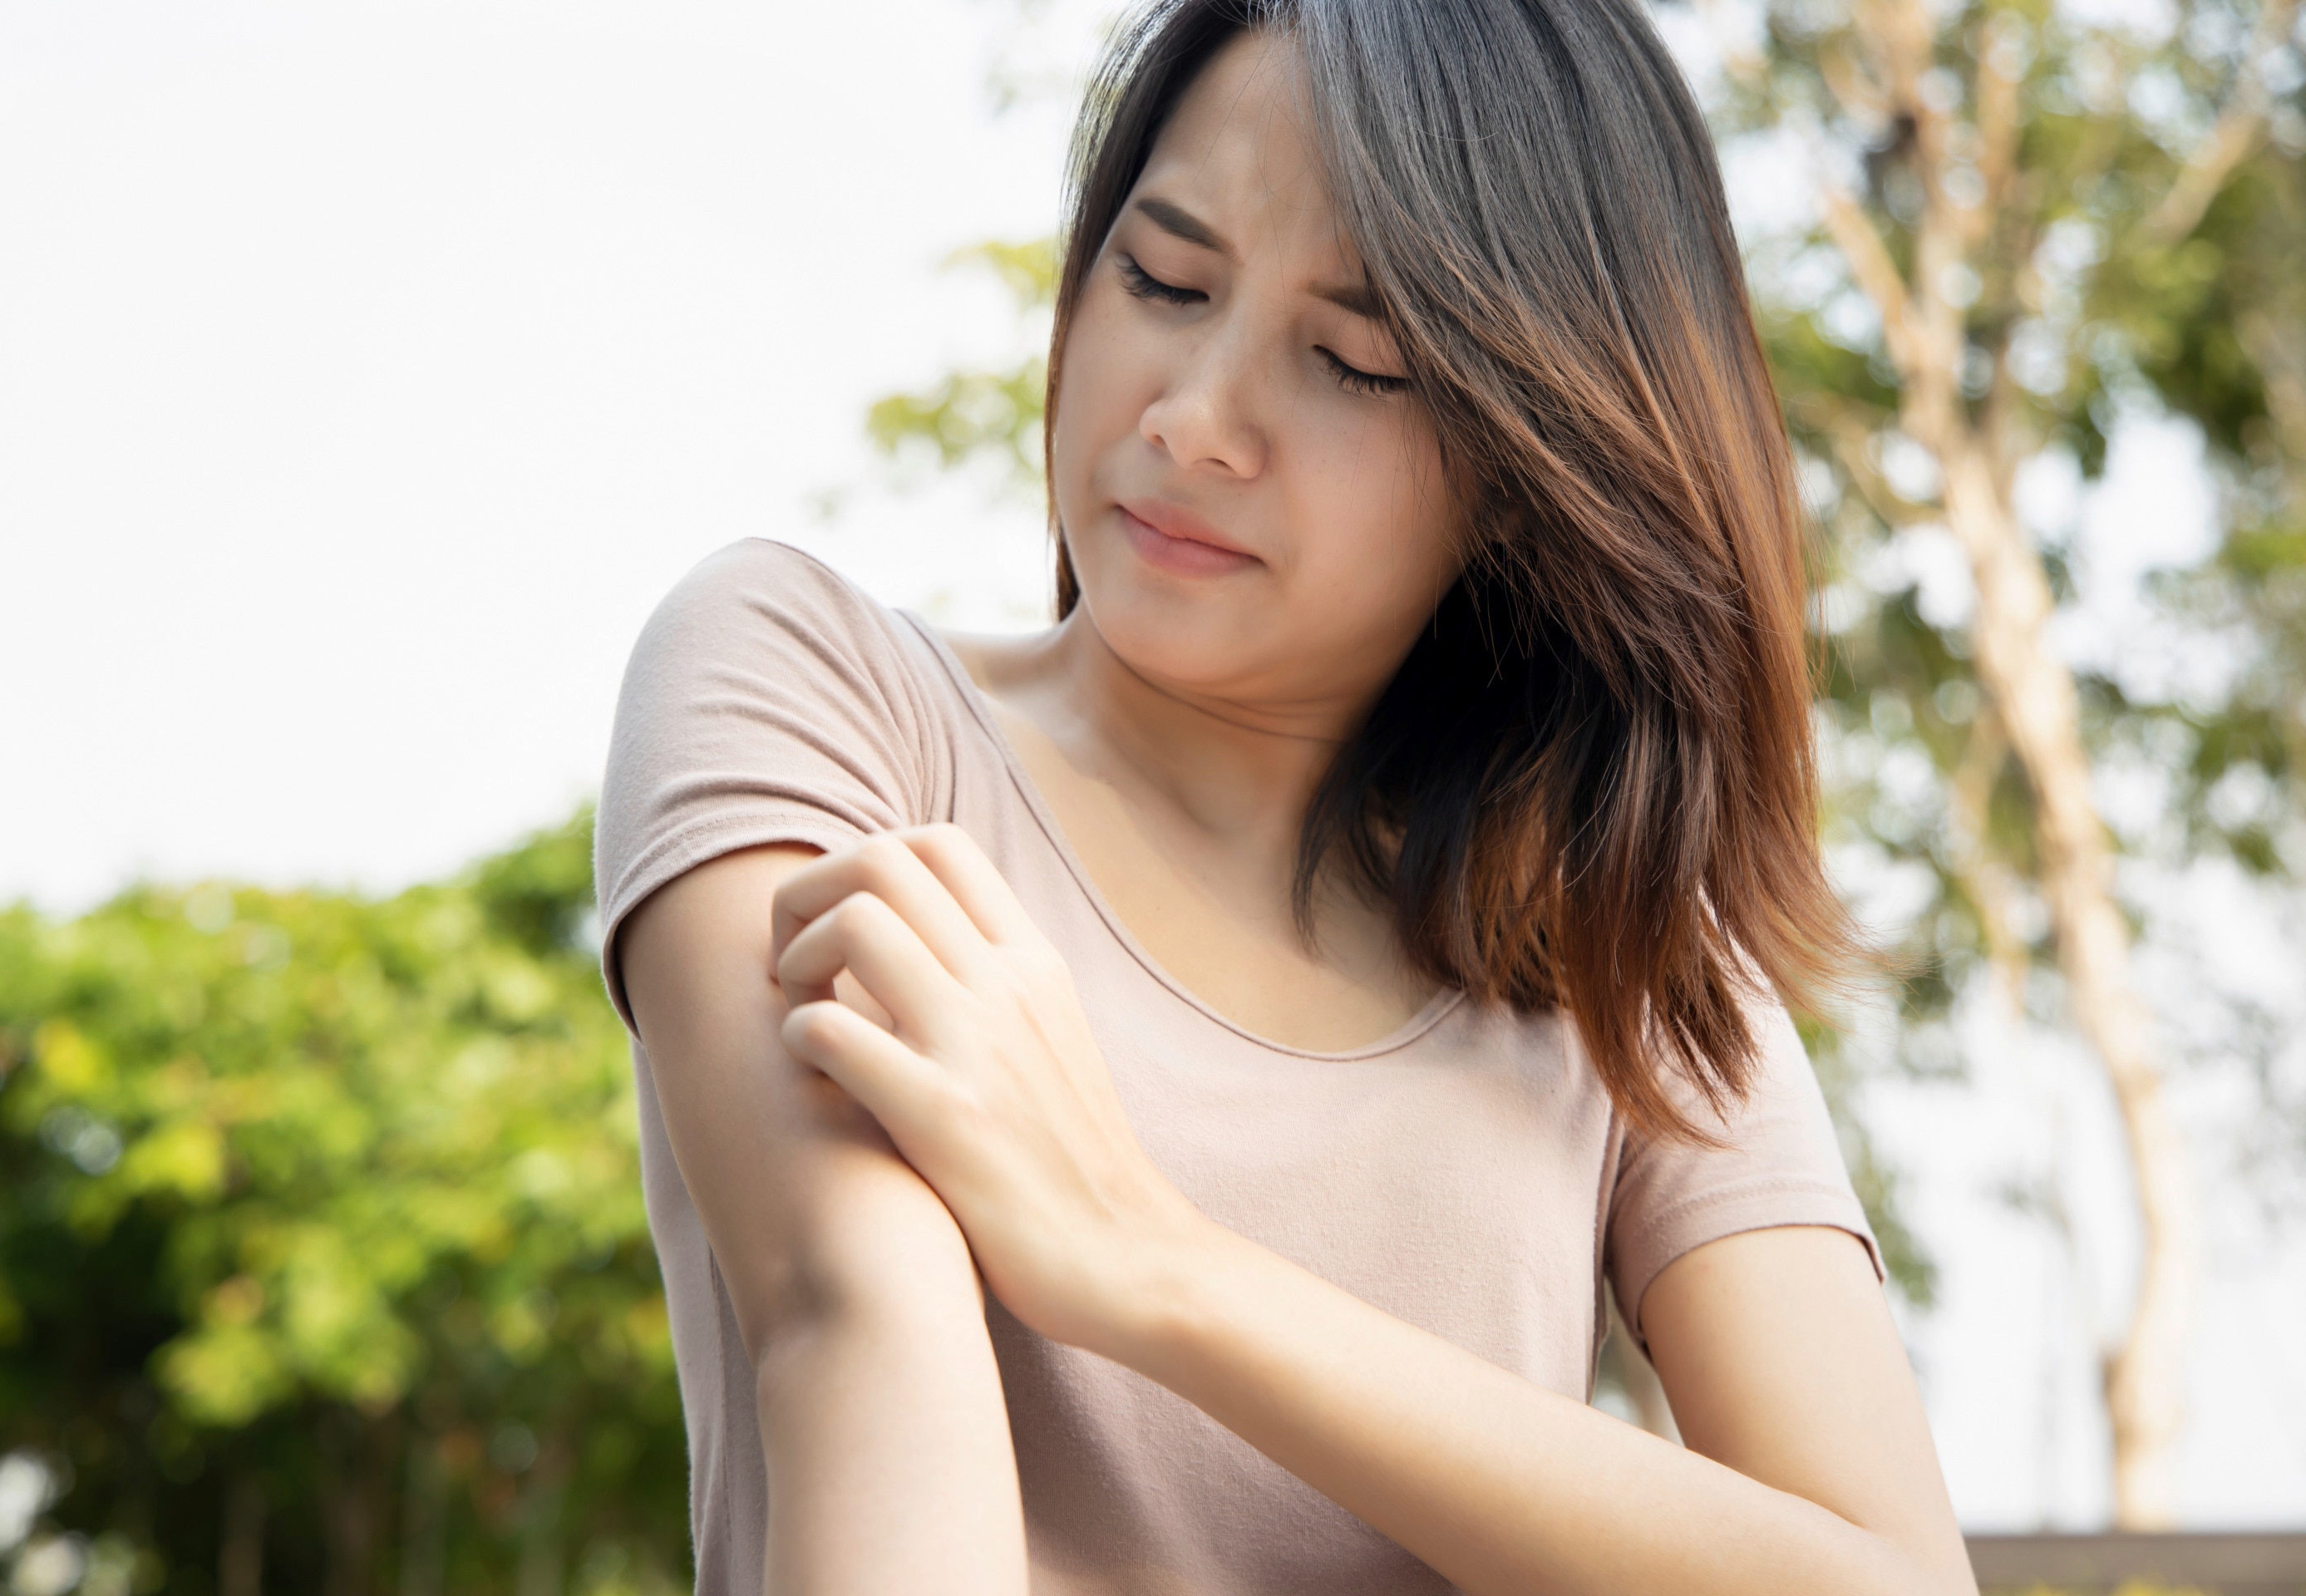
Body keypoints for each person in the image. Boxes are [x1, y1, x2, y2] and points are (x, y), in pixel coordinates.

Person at [594, 0, 1977, 1590]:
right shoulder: (826, 698)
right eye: (1163, 281)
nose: (1192, 420)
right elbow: (848, 1330)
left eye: (1353, 361)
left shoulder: (1623, 953)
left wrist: (1155, 1267)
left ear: (1535, 458)